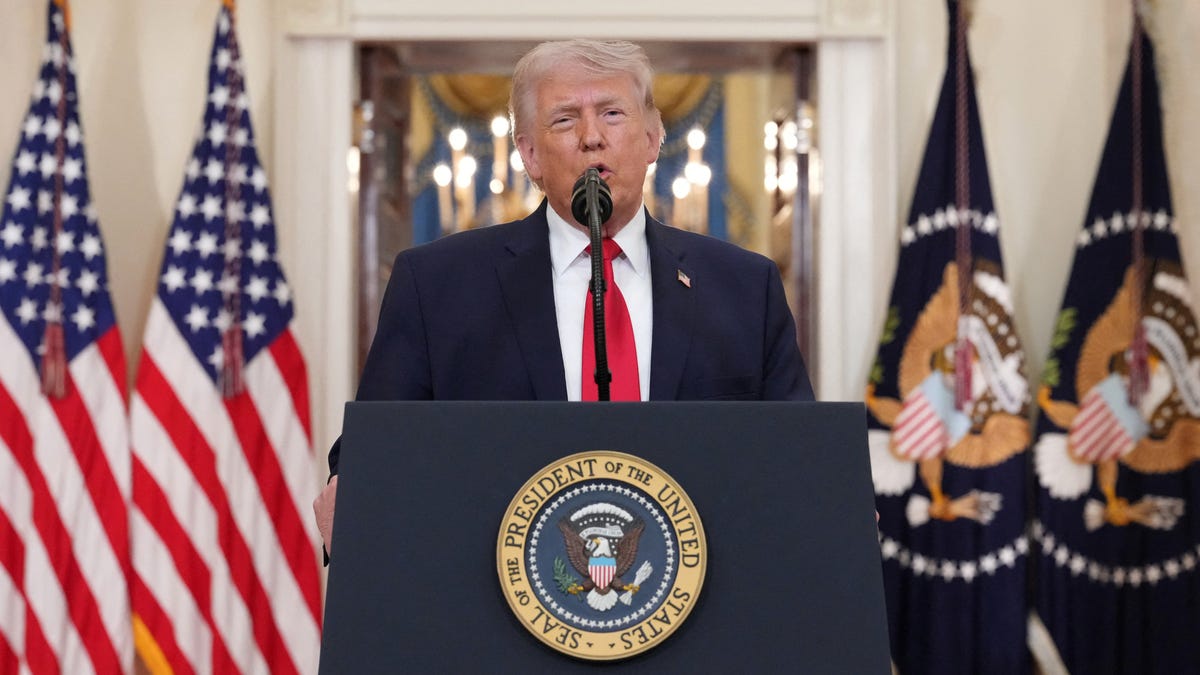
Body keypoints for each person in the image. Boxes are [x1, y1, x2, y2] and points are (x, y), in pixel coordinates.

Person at [313, 39, 814, 553]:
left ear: (652, 137)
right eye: (564, 121)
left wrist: (834, 505)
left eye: (613, 114)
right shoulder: (437, 284)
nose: (592, 137)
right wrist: (352, 488)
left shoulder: (743, 287)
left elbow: (801, 456)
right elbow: (375, 450)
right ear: (529, 154)